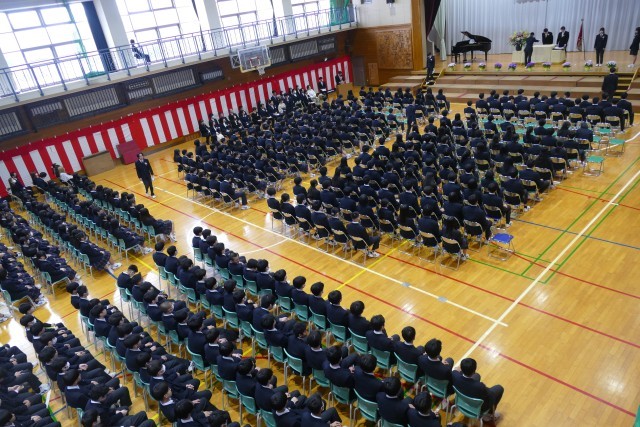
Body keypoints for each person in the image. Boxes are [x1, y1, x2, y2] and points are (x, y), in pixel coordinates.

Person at [452, 358, 504, 423]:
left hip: (461, 401)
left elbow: (455, 370)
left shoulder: (454, 375)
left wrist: (457, 370)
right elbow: (490, 396)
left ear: (461, 369)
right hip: (477, 408)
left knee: (477, 376)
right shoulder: (480, 386)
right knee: (499, 388)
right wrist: (486, 389)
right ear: (474, 371)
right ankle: (489, 415)